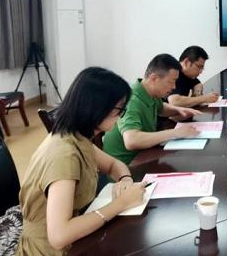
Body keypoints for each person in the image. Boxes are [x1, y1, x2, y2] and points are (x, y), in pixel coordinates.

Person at [16, 67, 146, 255]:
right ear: (97, 108)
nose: (121, 116)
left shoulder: (78, 137)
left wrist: (125, 179)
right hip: (51, 250)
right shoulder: (64, 155)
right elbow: (59, 236)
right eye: (120, 110)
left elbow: (113, 165)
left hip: (77, 237)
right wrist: (121, 204)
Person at [103, 54, 202, 166]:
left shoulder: (148, 92)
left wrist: (179, 110)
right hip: (126, 167)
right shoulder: (132, 101)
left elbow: (161, 108)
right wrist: (175, 133)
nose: (174, 87)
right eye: (171, 81)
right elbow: (131, 140)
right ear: (154, 78)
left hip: (145, 155)